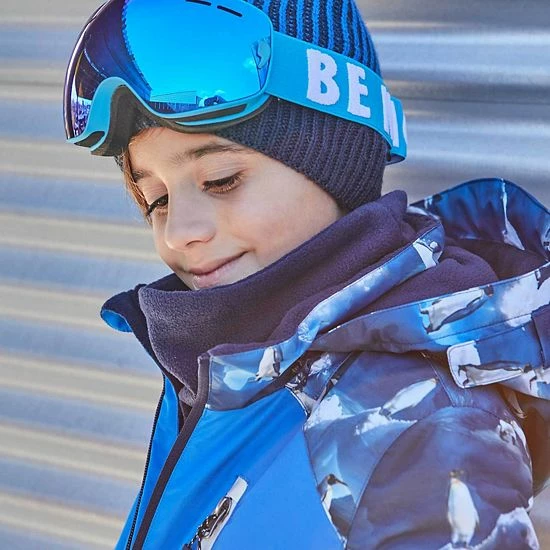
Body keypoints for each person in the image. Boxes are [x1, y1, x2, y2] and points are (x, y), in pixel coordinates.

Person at [63, 0, 550, 548]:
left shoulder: (422, 437)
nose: (178, 232)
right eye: (155, 199)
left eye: (221, 180)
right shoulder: (225, 369)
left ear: (335, 162)